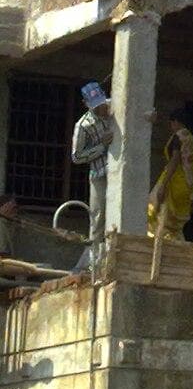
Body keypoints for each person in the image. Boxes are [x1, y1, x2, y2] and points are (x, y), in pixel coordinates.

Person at [71, 81, 113, 265]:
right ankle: (93, 263)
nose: (102, 109)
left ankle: (112, 256)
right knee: (98, 218)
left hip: (117, 172)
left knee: (116, 217)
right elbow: (76, 156)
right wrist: (101, 146)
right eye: (97, 107)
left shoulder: (116, 108)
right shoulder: (83, 125)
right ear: (86, 104)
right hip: (99, 174)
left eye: (103, 104)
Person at [147, 109, 193, 241]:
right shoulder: (190, 137)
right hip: (188, 185)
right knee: (175, 226)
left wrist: (163, 185)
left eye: (171, 123)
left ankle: (159, 247)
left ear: (176, 122)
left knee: (155, 214)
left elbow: (174, 161)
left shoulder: (178, 138)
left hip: (174, 182)